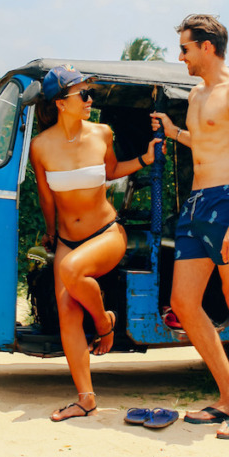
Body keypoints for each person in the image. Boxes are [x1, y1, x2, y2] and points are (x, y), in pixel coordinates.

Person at [152, 14, 229, 440]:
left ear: (206, 46)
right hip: (197, 204)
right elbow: (205, 145)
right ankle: (228, 395)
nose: (179, 56)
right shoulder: (197, 96)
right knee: (183, 303)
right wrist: (175, 132)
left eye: (184, 48)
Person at [30, 64, 161, 422]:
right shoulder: (40, 147)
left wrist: (144, 160)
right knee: (67, 312)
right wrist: (51, 232)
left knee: (71, 271)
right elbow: (46, 198)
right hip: (68, 242)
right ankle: (85, 398)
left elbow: (113, 170)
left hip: (106, 234)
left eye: (90, 93)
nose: (90, 99)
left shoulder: (102, 133)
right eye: (83, 94)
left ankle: (105, 324)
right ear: (60, 102)